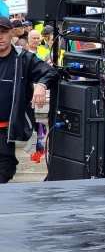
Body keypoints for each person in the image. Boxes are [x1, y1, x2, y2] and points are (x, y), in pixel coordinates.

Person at [1, 16, 60, 183]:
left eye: (4, 32)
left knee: (4, 171)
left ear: (12, 33)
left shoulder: (23, 59)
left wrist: (41, 85)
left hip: (6, 132)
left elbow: (51, 72)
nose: (0, 36)